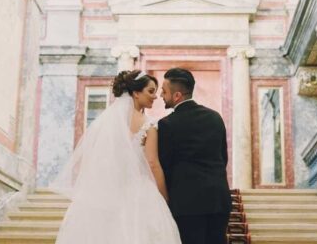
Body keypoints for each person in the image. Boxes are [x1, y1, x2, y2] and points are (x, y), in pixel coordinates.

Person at [51, 70, 181, 244]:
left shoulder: (108, 122)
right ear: (135, 93)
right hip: (140, 192)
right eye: (150, 91)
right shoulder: (149, 125)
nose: (155, 97)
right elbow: (153, 163)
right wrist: (165, 196)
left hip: (110, 190)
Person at [158, 67, 231, 244]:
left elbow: (164, 165)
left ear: (177, 96)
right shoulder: (215, 117)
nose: (161, 95)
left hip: (186, 203)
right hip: (218, 199)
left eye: (164, 91)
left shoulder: (167, 124)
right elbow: (223, 158)